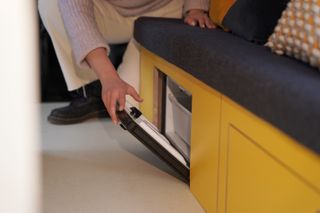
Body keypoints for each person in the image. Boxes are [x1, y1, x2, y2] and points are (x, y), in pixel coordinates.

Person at [38, 0, 215, 125]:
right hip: (107, 10)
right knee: (51, 4)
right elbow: (74, 8)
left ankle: (109, 92)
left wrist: (195, 8)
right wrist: (108, 77)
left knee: (131, 108)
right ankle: (92, 90)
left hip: (168, 9)